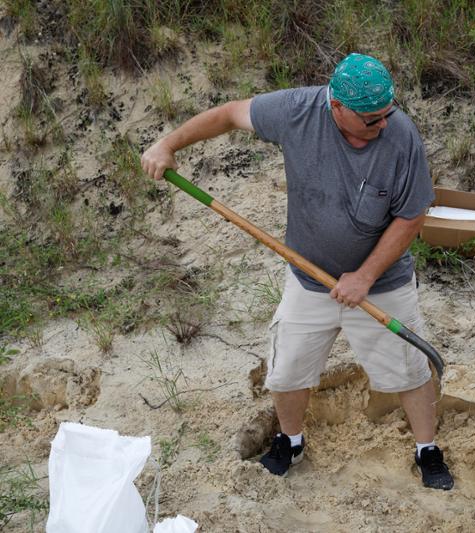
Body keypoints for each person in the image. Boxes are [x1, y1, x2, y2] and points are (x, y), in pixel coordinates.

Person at [141, 53, 453, 490]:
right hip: (310, 279)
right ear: (336, 106)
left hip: (381, 282)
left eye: (388, 113)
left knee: (410, 370)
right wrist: (167, 145)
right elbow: (229, 114)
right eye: (371, 119)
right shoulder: (297, 111)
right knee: (286, 369)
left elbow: (411, 216)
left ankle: (427, 449)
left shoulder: (400, 135)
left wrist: (364, 277)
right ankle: (290, 441)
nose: (383, 125)